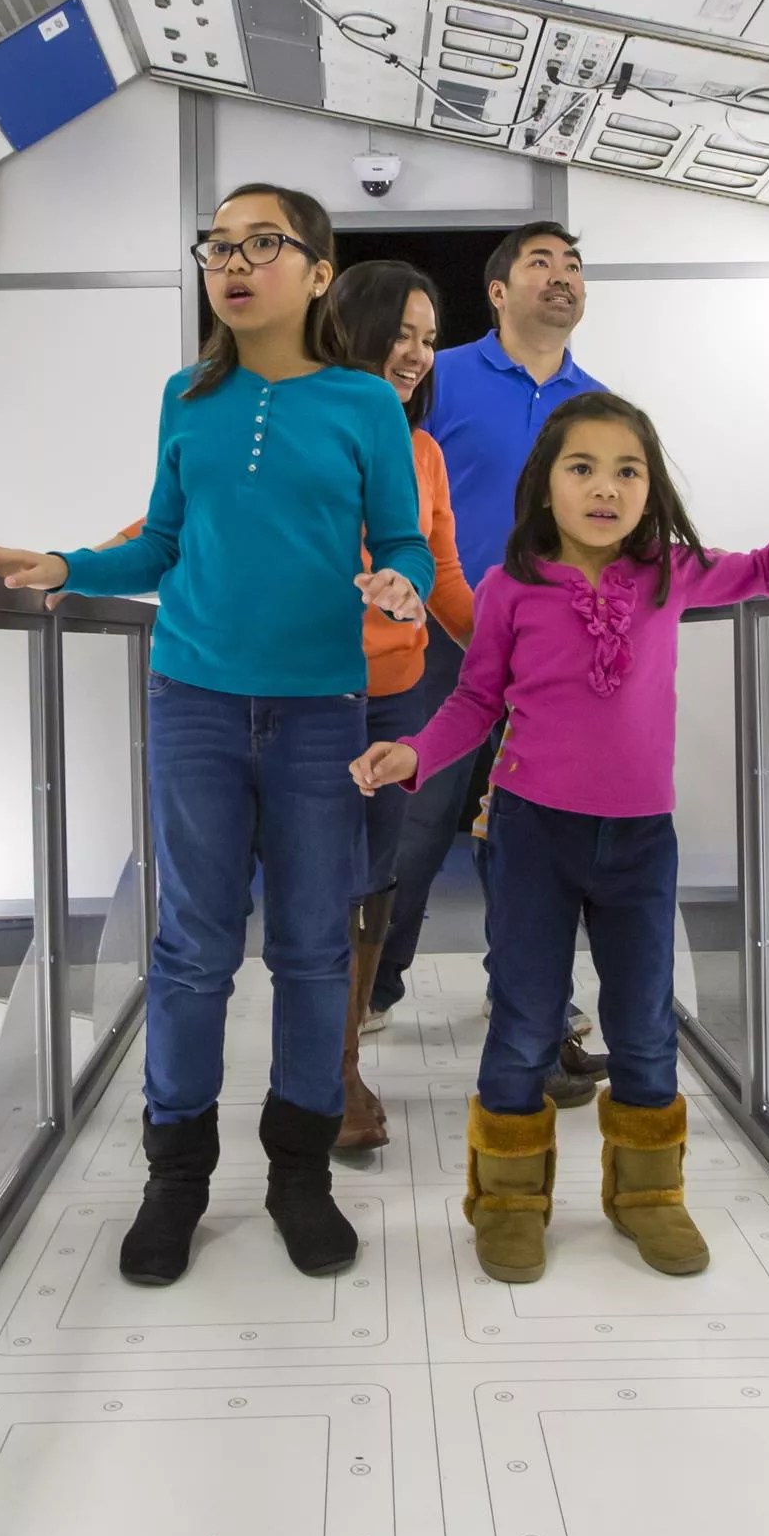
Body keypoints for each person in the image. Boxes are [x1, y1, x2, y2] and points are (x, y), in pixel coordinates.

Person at [0, 184, 431, 1287]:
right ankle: (177, 1176)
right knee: (192, 950)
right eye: (218, 244)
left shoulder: (365, 405)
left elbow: (405, 541)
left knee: (316, 948)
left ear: (317, 270)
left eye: (262, 243)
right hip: (197, 703)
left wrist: (404, 587)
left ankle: (298, 1175)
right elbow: (162, 542)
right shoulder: (188, 397)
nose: (234, 261)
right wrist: (67, 564)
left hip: (322, 712)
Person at [354, 392, 769, 1284]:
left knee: (643, 1022)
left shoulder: (668, 574)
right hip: (530, 834)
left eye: (627, 471)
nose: (606, 487)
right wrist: (412, 754)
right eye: (583, 468)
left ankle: (649, 1196)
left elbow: (759, 569)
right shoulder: (509, 588)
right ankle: (509, 1201)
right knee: (526, 1019)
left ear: (651, 488)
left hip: (641, 840)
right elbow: (475, 703)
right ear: (546, 485)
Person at [365, 223, 605, 1101]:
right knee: (417, 820)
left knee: (538, 829)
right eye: (540, 262)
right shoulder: (441, 377)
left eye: (573, 264)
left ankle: (537, 997)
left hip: (548, 649)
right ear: (498, 291)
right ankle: (375, 986)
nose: (561, 277)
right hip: (440, 638)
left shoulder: (597, 404)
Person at [321, 260, 477, 1152]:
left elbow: (447, 581)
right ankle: (319, 1068)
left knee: (374, 879)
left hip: (392, 697)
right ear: (350, 325)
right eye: (401, 333)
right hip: (302, 693)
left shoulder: (425, 453)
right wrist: (68, 567)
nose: (416, 354)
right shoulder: (300, 423)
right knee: (316, 883)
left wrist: (523, 648)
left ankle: (342, 1063)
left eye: (428, 338)